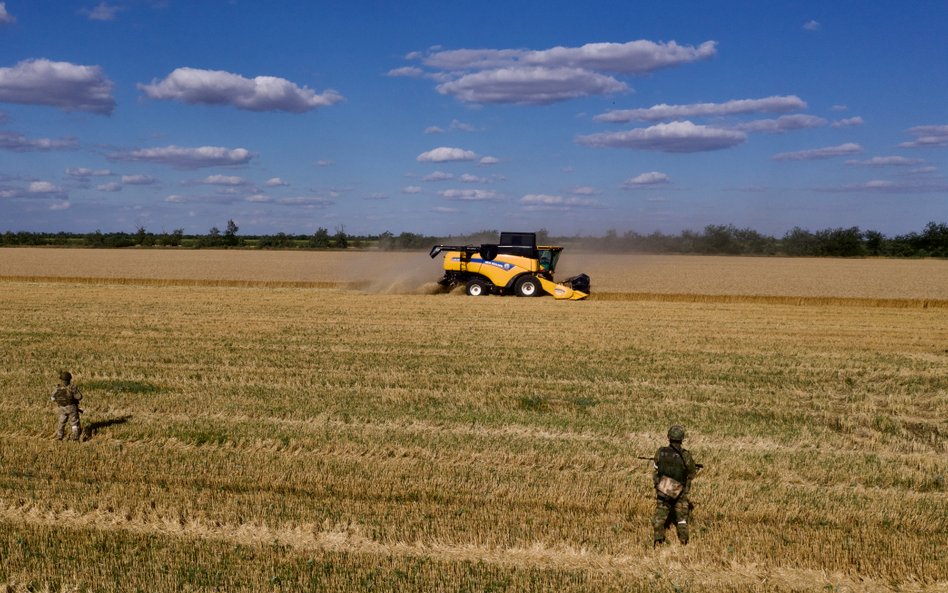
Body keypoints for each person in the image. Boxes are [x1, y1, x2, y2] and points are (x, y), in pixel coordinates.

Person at [651, 424, 697, 546]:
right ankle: (684, 541)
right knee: (681, 519)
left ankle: (658, 540)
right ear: (682, 438)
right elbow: (692, 473)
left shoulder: (660, 452)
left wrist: (658, 484)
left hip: (664, 487)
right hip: (679, 490)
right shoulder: (685, 455)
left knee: (660, 517)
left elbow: (655, 471)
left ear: (668, 437)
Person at [51, 371, 83, 441]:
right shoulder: (72, 387)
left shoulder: (57, 388)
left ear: (61, 379)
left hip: (62, 408)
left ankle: (59, 435)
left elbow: (52, 398)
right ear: (69, 379)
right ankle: (75, 436)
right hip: (72, 407)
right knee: (74, 422)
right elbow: (79, 397)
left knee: (61, 422)